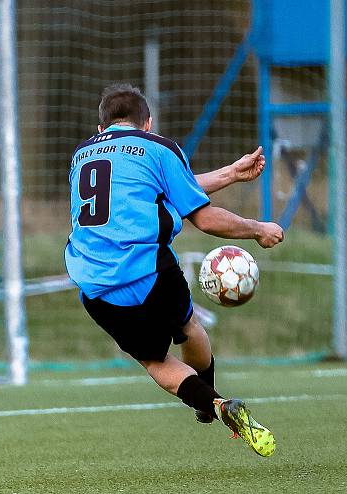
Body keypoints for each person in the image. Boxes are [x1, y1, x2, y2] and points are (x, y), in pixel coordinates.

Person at [64, 83, 284, 457]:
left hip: (97, 285)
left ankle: (213, 404)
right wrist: (257, 228)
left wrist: (230, 173)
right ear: (146, 123)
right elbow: (203, 216)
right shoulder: (158, 147)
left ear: (101, 129)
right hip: (151, 271)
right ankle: (208, 394)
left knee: (155, 362)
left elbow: (163, 188)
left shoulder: (81, 155)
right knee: (188, 327)